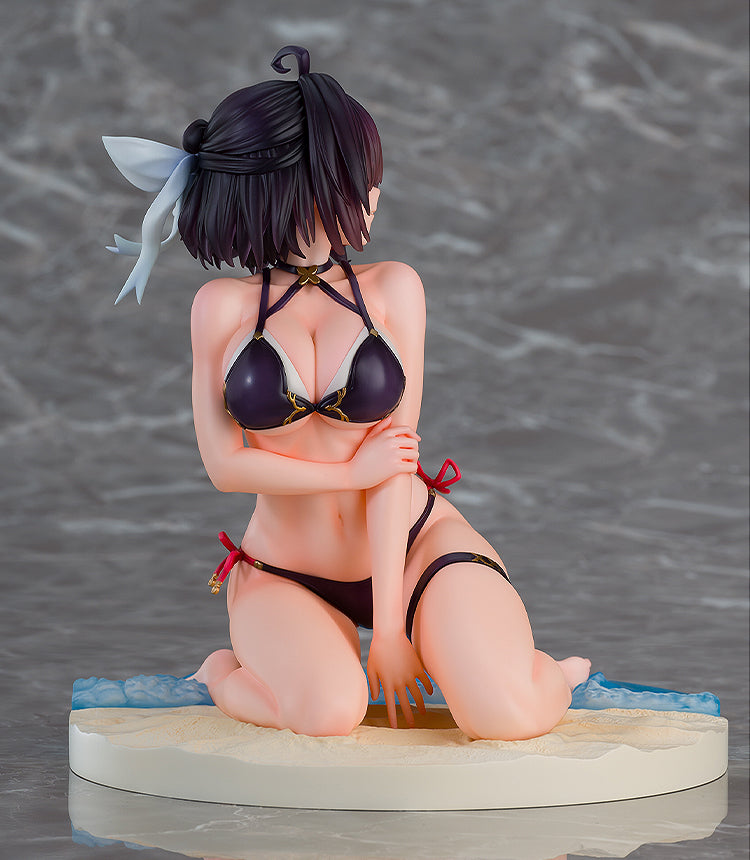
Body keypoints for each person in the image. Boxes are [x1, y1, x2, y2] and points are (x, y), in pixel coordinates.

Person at [104, 46, 590, 740]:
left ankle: (550, 676)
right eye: (350, 181)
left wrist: (389, 629)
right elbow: (225, 467)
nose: (372, 197)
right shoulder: (220, 307)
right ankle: (221, 673)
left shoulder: (394, 290)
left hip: (417, 546)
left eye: (368, 178)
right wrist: (348, 471)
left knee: (504, 716)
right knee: (330, 714)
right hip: (284, 568)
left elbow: (394, 466)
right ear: (277, 193)